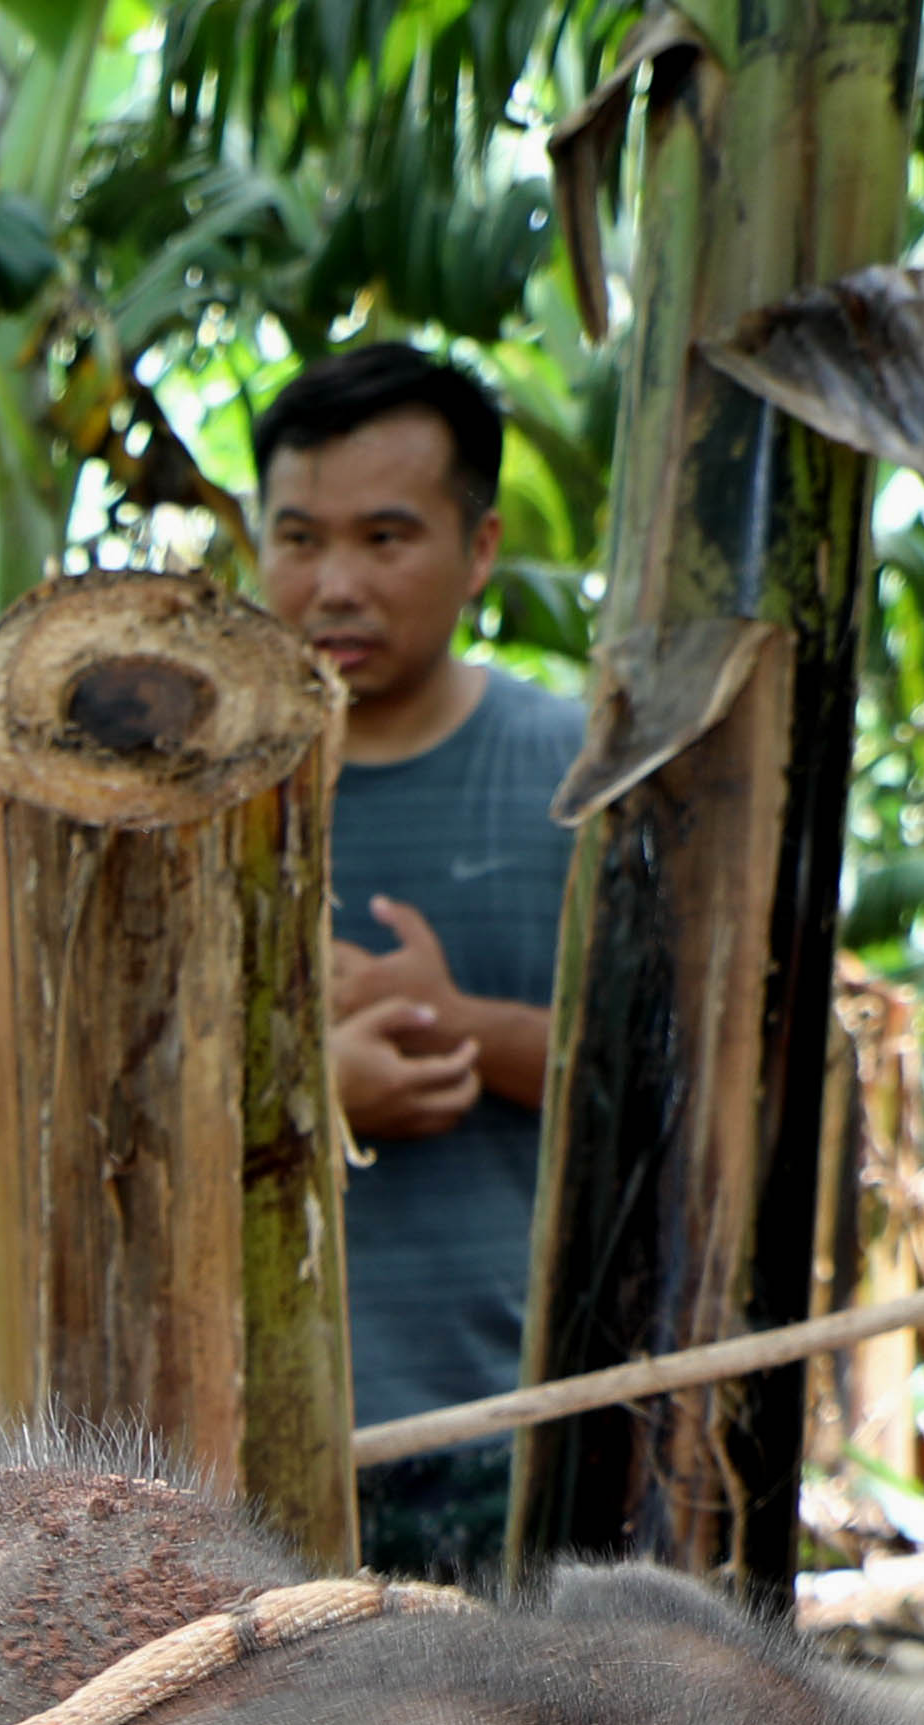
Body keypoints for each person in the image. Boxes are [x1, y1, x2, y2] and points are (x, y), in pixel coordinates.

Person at [264, 342, 580, 1592]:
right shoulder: (182, 801)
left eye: (386, 538)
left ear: (481, 547)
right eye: (299, 538)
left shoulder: (578, 778)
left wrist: (452, 1023)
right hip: (248, 1440)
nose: (335, 583)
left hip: (522, 1430)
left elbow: (686, 1106)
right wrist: (312, 1097)